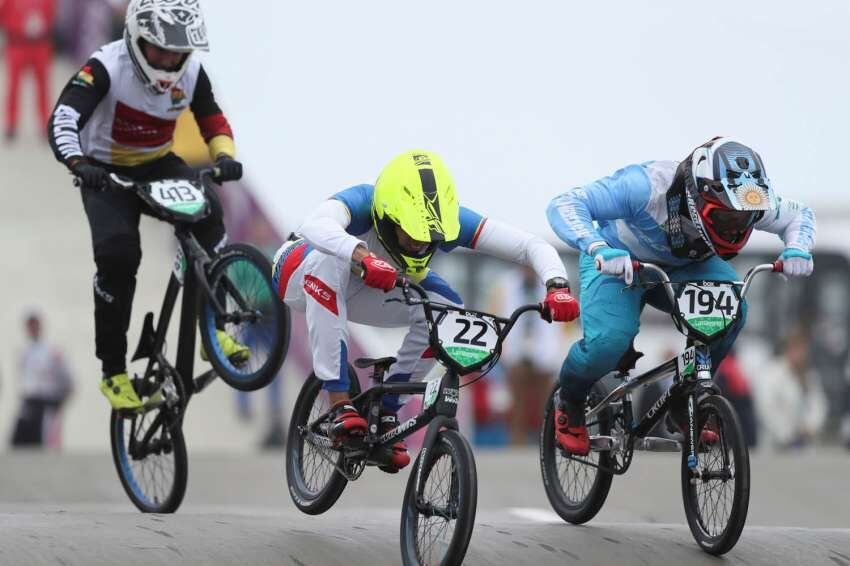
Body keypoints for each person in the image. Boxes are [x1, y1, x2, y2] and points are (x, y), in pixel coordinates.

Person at [273, 149, 580, 472]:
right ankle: (338, 402)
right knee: (329, 261)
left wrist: (557, 285)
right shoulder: (365, 200)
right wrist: (362, 255)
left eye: (430, 238)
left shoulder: (449, 219)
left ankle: (387, 409)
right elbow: (314, 225)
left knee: (448, 309)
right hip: (297, 271)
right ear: (388, 218)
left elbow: (530, 246)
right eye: (414, 236)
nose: (421, 246)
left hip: (375, 287)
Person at [547, 137, 816, 455]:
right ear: (700, 196)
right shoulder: (645, 186)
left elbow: (800, 215)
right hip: (617, 263)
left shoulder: (749, 199)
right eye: (726, 217)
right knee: (608, 343)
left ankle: (688, 392)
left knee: (734, 307)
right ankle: (570, 400)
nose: (735, 227)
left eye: (744, 219)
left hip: (686, 267)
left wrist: (798, 247)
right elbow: (563, 204)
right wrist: (597, 247)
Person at [46, 0, 245, 411]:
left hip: (157, 164)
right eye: (161, 49)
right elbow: (62, 119)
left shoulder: (190, 71)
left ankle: (214, 327)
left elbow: (213, 121)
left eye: (178, 51)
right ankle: (114, 372)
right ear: (137, 40)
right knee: (119, 257)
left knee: (209, 213)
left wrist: (223, 155)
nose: (171, 59)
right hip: (104, 172)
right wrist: (79, 163)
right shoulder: (105, 66)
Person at [493, 265, 568, 444]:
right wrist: (504, 352)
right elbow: (496, 318)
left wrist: (556, 352)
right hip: (516, 354)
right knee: (517, 403)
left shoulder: (555, 286)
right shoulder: (505, 285)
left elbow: (565, 323)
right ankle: (517, 443)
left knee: (547, 403)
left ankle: (547, 443)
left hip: (545, 353)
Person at [11, 310, 74, 448]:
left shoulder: (53, 351)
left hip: (46, 405)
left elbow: (68, 380)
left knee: (45, 445)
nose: (32, 328)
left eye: (35, 325)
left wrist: (59, 403)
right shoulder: (24, 352)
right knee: (17, 444)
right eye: (30, 325)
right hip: (28, 404)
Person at [755, 330, 827, 450]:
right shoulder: (772, 373)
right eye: (797, 349)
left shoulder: (809, 375)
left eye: (804, 350)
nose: (801, 354)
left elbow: (818, 404)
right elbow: (766, 407)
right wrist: (787, 435)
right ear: (788, 349)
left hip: (804, 444)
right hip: (776, 445)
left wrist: (810, 427)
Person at [0, 0, 55, 140]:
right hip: (17, 43)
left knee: (43, 86)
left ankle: (44, 123)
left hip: (40, 45)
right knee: (13, 86)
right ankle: (11, 123)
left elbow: (51, 16)